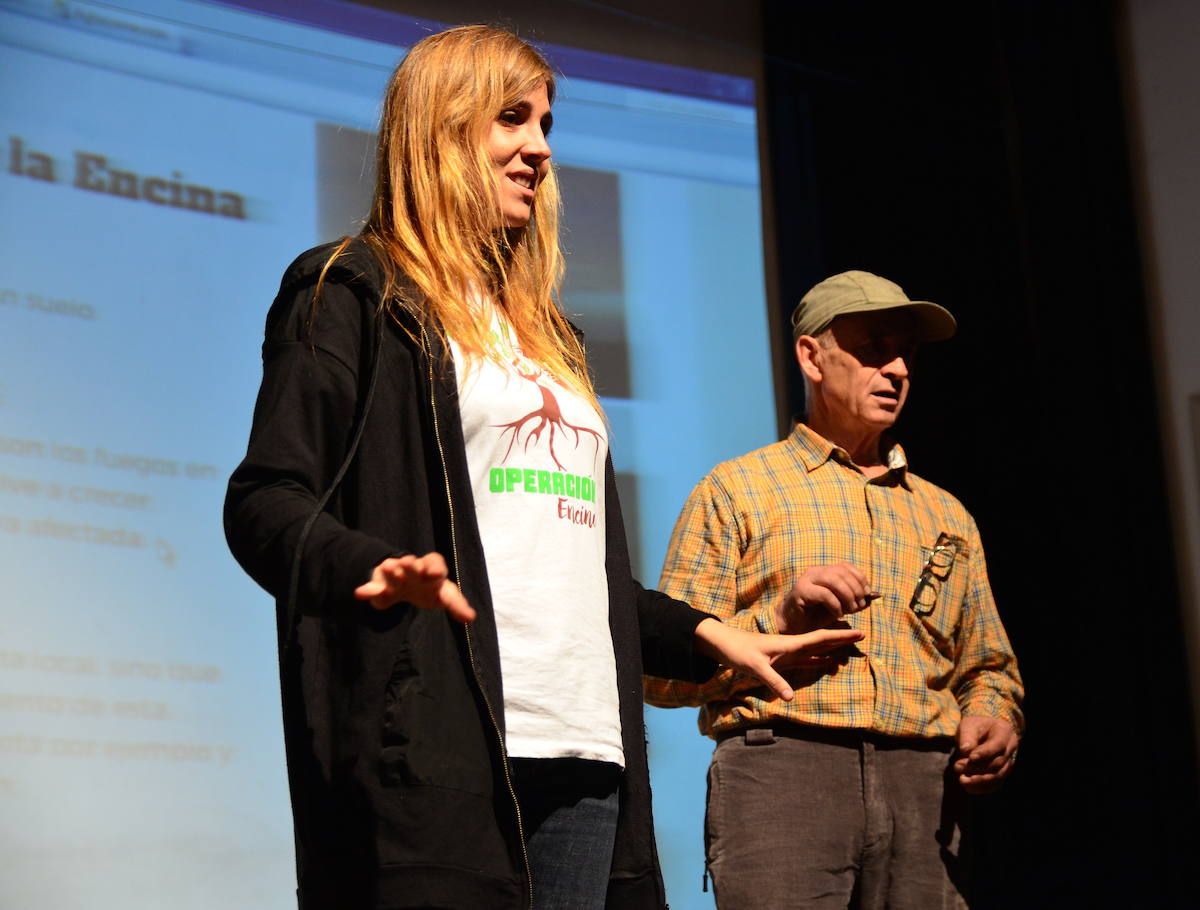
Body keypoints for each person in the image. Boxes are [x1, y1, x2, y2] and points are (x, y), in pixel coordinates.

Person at [223, 27, 860, 910]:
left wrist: (715, 634)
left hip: (585, 747)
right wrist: (368, 568)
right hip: (440, 744)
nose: (540, 148)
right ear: (442, 128)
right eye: (511, 119)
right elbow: (265, 502)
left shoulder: (551, 338)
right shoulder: (355, 293)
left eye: (547, 123)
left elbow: (571, 566)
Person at [645, 270, 1025, 909]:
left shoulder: (946, 514)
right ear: (811, 356)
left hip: (926, 785)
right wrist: (780, 626)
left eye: (907, 352)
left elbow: (988, 665)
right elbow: (663, 675)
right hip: (783, 772)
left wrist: (994, 715)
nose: (899, 368)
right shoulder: (737, 491)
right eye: (875, 346)